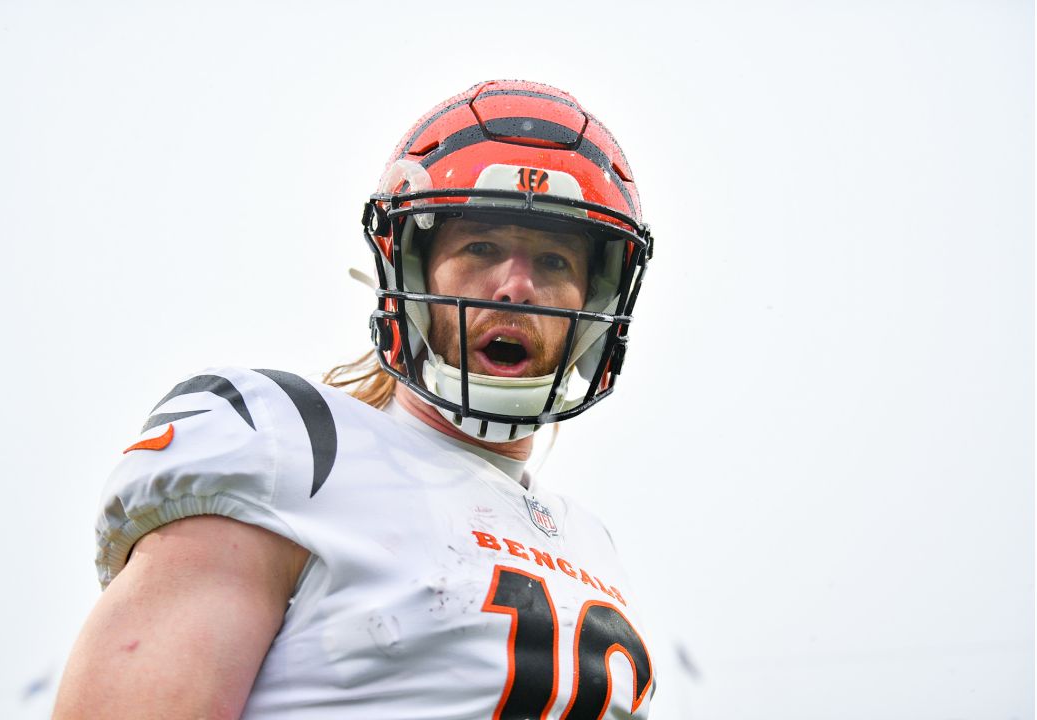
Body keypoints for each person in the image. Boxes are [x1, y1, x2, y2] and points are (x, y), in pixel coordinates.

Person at [54, 79, 657, 719]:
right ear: (412, 271)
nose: (515, 286)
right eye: (481, 247)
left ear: (594, 306)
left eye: (554, 261)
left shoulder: (590, 543)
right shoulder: (293, 447)